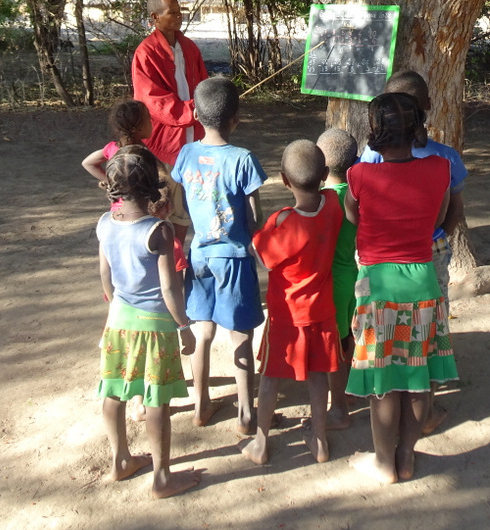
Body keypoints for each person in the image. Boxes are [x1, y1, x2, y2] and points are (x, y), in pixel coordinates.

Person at [345, 92, 457, 484]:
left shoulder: (358, 175)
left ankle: (382, 463)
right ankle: (406, 456)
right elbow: (438, 219)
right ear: (417, 127)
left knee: (384, 381)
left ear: (375, 130)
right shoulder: (440, 169)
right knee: (418, 376)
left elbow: (353, 216)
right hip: (423, 283)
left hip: (379, 288)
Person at [358, 69, 468, 433]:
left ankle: (389, 394)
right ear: (427, 110)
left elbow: (356, 209)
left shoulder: (367, 161)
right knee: (428, 331)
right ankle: (427, 409)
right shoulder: (444, 160)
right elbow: (455, 206)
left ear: (378, 122)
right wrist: (438, 237)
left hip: (382, 259)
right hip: (428, 251)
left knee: (384, 334)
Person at [95, 145, 201, 499]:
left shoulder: (104, 224)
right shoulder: (159, 231)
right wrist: (184, 327)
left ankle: (121, 459)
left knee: (114, 390)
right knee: (157, 401)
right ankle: (161, 477)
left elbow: (106, 279)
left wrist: (116, 308)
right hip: (155, 326)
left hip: (118, 322)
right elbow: (170, 289)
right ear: (152, 185)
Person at [171, 76, 266, 433]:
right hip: (235, 257)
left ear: (195, 113)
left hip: (199, 255)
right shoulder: (243, 159)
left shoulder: (186, 153)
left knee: (204, 331)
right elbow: (255, 216)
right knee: (240, 335)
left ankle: (201, 406)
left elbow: (182, 196)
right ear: (236, 118)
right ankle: (245, 414)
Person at [244, 140, 344, 465]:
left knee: (271, 376)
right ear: (325, 173)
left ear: (284, 180)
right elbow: (329, 192)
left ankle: (261, 443)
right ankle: (319, 439)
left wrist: (255, 223)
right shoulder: (332, 205)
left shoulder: (283, 221)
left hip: (287, 317)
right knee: (318, 375)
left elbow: (261, 254)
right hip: (321, 312)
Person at [83, 98, 189, 274]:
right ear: (138, 128)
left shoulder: (111, 149)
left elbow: (88, 163)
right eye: (149, 119)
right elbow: (163, 180)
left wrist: (112, 183)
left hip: (118, 215)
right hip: (143, 214)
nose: (152, 122)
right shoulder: (144, 155)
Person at [131, 0, 208, 168]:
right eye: (172, 13)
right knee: (170, 193)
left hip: (196, 133)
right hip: (166, 139)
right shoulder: (146, 53)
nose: (179, 16)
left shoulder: (190, 47)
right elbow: (153, 101)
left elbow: (204, 84)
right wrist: (193, 110)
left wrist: (207, 104)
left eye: (179, 11)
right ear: (155, 17)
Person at [316, 127, 360, 430]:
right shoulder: (358, 197)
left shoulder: (320, 202)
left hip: (329, 282)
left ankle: (339, 408)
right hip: (353, 275)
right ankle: (356, 387)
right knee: (350, 337)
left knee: (332, 343)